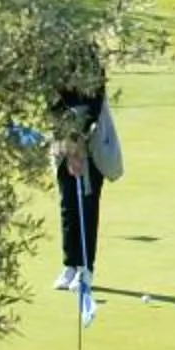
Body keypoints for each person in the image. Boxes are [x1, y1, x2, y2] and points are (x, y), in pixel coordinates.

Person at [51, 80, 118, 290]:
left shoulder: (91, 63)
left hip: (91, 137)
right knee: (68, 203)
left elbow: (94, 104)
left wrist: (77, 138)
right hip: (61, 133)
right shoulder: (52, 63)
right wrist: (67, 139)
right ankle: (70, 265)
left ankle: (85, 269)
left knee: (87, 204)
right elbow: (52, 100)